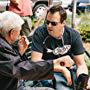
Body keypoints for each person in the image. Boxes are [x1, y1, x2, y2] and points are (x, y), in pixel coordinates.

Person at [0, 11, 73, 90]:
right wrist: (53, 64)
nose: (20, 35)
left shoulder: (4, 43)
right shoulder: (2, 47)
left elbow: (10, 65)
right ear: (12, 33)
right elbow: (19, 69)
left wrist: (20, 52)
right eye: (19, 31)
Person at [31, 4, 88, 90]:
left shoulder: (73, 35)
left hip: (69, 69)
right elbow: (35, 61)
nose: (49, 26)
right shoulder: (40, 33)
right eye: (47, 22)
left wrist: (83, 78)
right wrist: (61, 69)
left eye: (53, 23)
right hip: (48, 70)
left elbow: (81, 64)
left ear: (63, 23)